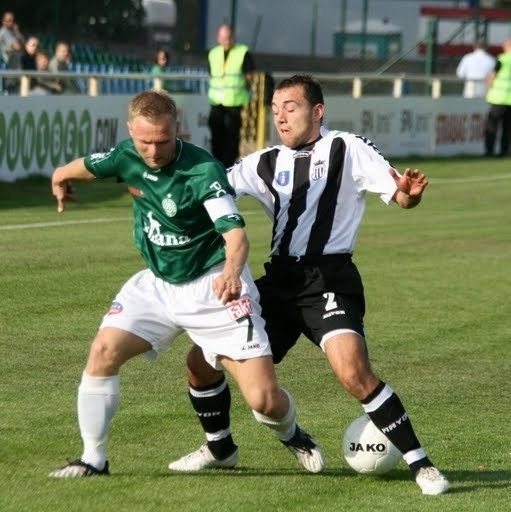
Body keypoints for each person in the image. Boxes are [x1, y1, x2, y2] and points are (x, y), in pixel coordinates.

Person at [169, 74, 450, 496]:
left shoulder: (347, 148)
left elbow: (401, 194)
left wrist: (410, 194)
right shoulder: (262, 161)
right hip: (279, 281)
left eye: (291, 107)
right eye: (276, 108)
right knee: (199, 362)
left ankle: (422, 465)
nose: (281, 116)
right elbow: (213, 190)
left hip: (328, 279)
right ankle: (220, 447)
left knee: (354, 372)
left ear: (317, 111)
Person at [48, 89, 324, 478]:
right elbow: (88, 166)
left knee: (264, 401)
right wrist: (60, 176)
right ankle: (93, 458)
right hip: (157, 285)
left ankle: (292, 433)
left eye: (163, 140)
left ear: (177, 129)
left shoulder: (202, 171)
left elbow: (236, 236)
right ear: (131, 131)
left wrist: (231, 273)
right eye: (145, 141)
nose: (154, 150)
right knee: (102, 352)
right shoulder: (127, 156)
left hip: (215, 283)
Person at [207, 24, 254, 168]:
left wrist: (244, 91)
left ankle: (228, 169)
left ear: (233, 37)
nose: (226, 41)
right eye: (223, 38)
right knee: (216, 136)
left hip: (234, 102)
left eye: (229, 37)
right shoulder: (213, 53)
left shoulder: (243, 52)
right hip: (216, 102)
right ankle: (217, 166)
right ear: (218, 38)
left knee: (231, 138)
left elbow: (249, 77)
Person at [484, 37, 511, 157]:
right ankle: (504, 152)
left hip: (499, 99)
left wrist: (488, 89)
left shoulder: (503, 59)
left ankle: (489, 151)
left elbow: (492, 76)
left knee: (492, 126)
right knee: (507, 128)